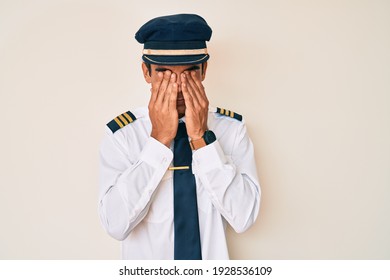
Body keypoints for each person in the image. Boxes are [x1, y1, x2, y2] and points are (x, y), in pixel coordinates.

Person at [98, 14, 261, 260]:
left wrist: (201, 140)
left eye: (189, 72)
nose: (178, 86)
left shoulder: (231, 129)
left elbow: (244, 218)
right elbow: (115, 224)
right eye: (164, 73)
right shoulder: (123, 135)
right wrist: (158, 142)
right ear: (146, 72)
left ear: (204, 70)